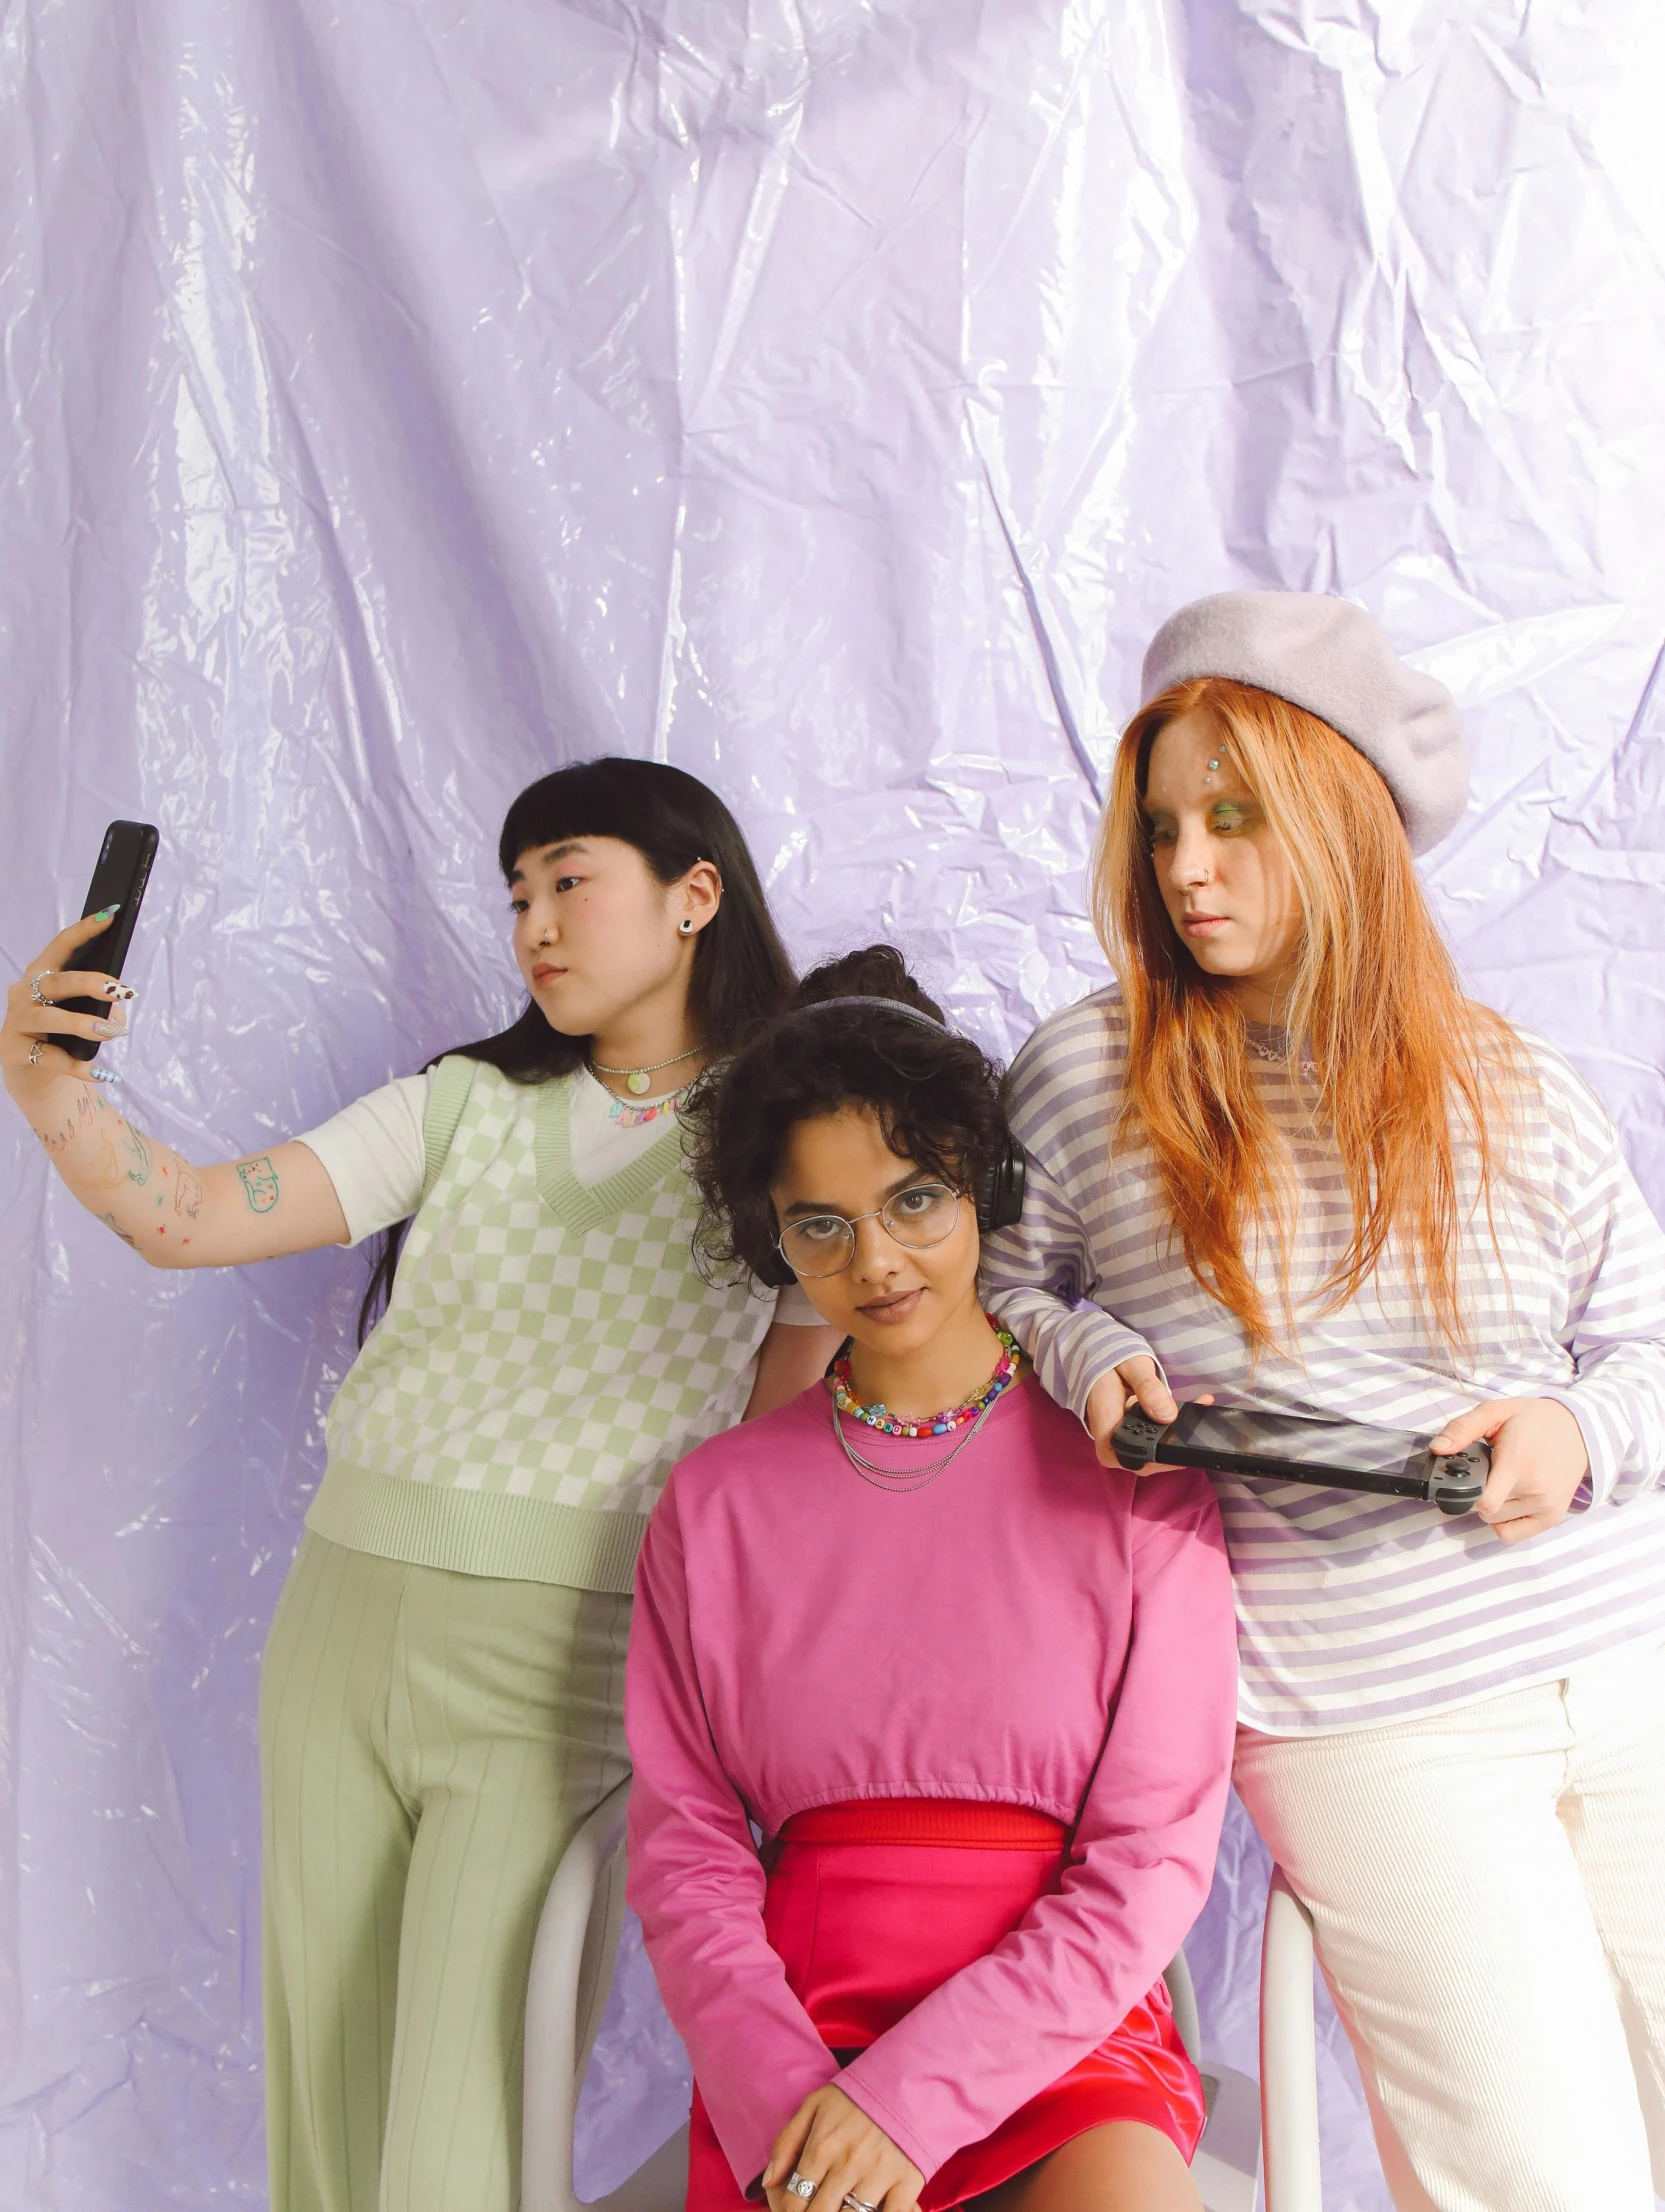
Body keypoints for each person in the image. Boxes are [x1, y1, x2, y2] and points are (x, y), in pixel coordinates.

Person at [0, 757, 839, 2212]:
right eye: (517, 893)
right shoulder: (462, 1103)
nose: (535, 925)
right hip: (338, 1629)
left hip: (560, 1662)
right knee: (324, 2115)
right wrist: (45, 1081)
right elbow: (191, 1216)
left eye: (570, 878)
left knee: (462, 2135)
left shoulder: (782, 1138)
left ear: (694, 894)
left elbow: (768, 1461)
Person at [982, 591, 1665, 2212]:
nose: (1189, 868)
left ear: (1341, 823)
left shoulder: (1510, 1077)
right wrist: (1088, 1360)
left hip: (1624, 1654)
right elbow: (989, 1296)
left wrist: (1575, 1430)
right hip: (1368, 1704)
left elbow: (1648, 1339)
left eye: (1237, 818)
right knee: (1552, 2181)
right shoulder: (1091, 1073)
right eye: (1162, 828)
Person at [624, 948, 1238, 2212]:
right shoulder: (716, 1504)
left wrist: (909, 2100)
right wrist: (791, 2089)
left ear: (981, 1181)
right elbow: (683, 1852)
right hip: (793, 2048)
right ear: (772, 1236)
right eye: (821, 1226)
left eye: (914, 1200)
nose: (879, 1260)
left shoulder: (1137, 1462)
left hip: (1066, 2046)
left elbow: (1151, 1856)